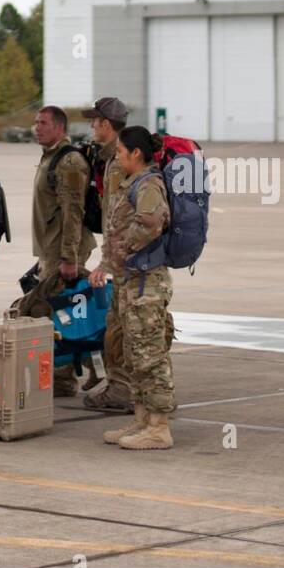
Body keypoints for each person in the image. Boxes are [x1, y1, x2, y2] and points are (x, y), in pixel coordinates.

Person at [91, 125, 175, 449]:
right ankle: (142, 419)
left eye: (121, 153)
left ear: (136, 154)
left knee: (150, 356)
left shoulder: (149, 183)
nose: (118, 158)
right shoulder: (134, 183)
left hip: (146, 283)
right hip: (131, 281)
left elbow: (150, 224)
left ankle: (159, 427)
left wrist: (120, 252)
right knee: (134, 353)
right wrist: (109, 264)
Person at [31, 105, 95, 396]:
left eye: (43, 122)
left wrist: (69, 258)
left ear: (59, 127)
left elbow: (73, 211)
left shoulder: (69, 162)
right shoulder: (50, 158)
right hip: (52, 250)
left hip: (64, 252)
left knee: (65, 314)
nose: (37, 127)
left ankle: (74, 374)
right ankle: (65, 374)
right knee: (63, 312)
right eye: (35, 122)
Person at [80, 97, 135, 415]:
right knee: (122, 323)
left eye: (95, 122)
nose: (92, 127)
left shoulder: (117, 163)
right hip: (131, 257)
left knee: (119, 326)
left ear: (106, 125)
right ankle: (128, 386)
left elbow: (115, 217)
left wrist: (106, 262)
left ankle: (122, 388)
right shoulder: (116, 158)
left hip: (125, 259)